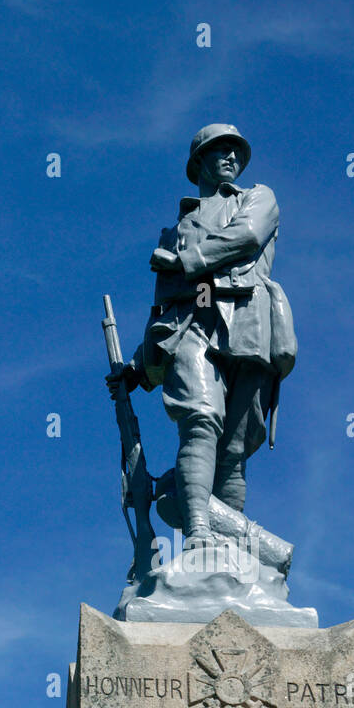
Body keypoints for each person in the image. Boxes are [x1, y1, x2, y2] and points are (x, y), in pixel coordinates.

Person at [107, 124, 295, 546]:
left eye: (236, 151)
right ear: (198, 162)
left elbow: (246, 237)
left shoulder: (257, 198)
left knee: (232, 453)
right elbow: (171, 308)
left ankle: (230, 550)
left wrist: (185, 260)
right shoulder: (176, 230)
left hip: (249, 322)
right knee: (200, 419)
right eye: (220, 150)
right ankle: (198, 533)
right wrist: (139, 366)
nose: (231, 157)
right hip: (197, 321)